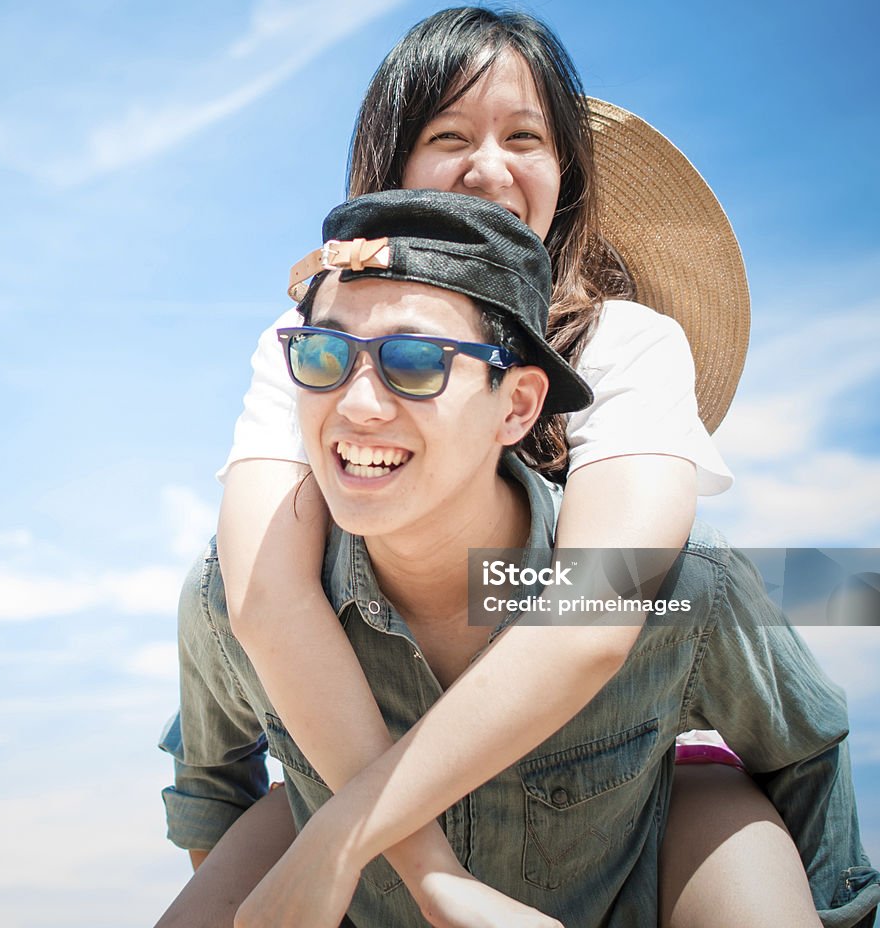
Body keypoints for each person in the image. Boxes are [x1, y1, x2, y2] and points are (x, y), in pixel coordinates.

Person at [158, 189, 878, 928]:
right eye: (324, 355)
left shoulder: (672, 586)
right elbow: (209, 785)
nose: (358, 405)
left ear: (519, 406)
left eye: (415, 361)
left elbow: (806, 752)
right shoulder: (235, 590)